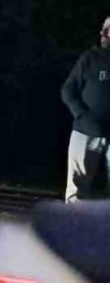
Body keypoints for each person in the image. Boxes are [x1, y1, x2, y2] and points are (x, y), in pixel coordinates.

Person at [61, 15, 110, 201]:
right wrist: (81, 114)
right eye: (107, 29)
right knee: (77, 188)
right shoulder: (90, 59)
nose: (106, 33)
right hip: (85, 131)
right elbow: (67, 90)